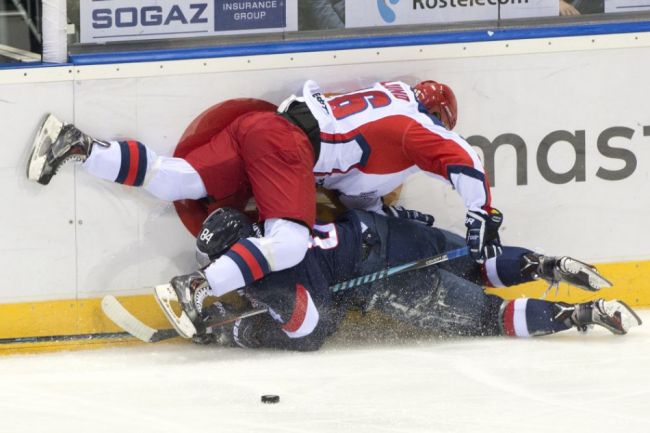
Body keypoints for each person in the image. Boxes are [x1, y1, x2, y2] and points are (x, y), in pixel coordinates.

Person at [25, 78, 498, 300]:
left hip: (263, 125)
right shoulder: (417, 126)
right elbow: (465, 161)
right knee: (290, 243)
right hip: (290, 149)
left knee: (177, 178)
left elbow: (357, 194)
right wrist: (481, 215)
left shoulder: (388, 100)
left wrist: (386, 217)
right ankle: (198, 287)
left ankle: (80, 145)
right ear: (438, 118)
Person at [159, 207, 639, 351]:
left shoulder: (268, 276)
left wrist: (244, 331)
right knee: (475, 261)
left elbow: (311, 331)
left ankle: (582, 314)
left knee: (489, 316)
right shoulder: (284, 223)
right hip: (394, 230)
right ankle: (547, 265)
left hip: (392, 280)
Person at [278, 79, 503, 262]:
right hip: (298, 150)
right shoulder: (414, 121)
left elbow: (354, 187)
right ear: (434, 115)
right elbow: (460, 155)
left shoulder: (390, 94)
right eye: (440, 124)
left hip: (290, 120)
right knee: (290, 244)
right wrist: (481, 210)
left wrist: (380, 215)